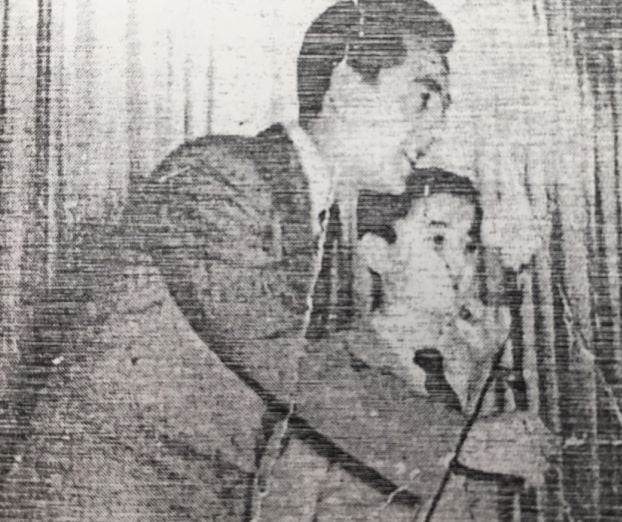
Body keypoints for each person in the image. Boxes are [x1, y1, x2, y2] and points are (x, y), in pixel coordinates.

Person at [1, 1, 541, 518]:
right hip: (107, 500)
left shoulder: (319, 225)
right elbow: (277, 351)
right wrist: (456, 439)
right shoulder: (220, 176)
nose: (435, 128)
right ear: (346, 87)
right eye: (424, 98)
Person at [258, 168, 557, 521]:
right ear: (378, 255)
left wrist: (482, 375)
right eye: (437, 240)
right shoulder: (324, 369)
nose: (459, 264)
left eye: (469, 245)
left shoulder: (476, 368)